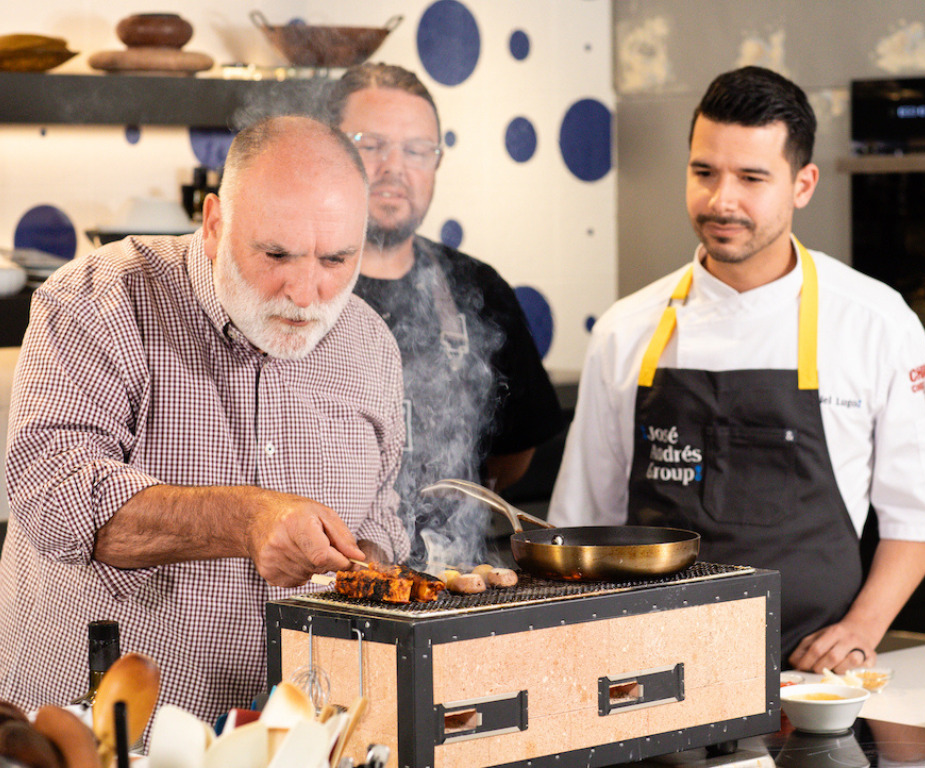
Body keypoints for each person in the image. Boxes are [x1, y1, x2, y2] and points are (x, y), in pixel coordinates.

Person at [548, 66, 925, 672]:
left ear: (803, 184)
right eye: (703, 172)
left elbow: (923, 510)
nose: (722, 200)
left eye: (751, 177)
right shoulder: (627, 329)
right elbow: (584, 521)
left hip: (810, 675)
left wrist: (860, 628)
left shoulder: (876, 321)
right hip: (650, 669)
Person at [0, 115, 409, 725]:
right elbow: (51, 498)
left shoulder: (369, 344)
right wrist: (246, 519)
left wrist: (366, 560)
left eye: (336, 258)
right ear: (215, 224)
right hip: (105, 735)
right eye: (276, 254)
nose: (306, 291)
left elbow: (381, 513)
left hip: (292, 735)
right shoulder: (103, 296)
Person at [329, 63, 565, 567]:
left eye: (417, 150)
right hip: (321, 581)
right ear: (331, 149)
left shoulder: (479, 290)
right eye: (370, 144)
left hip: (451, 584)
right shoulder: (296, 286)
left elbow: (516, 448)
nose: (395, 167)